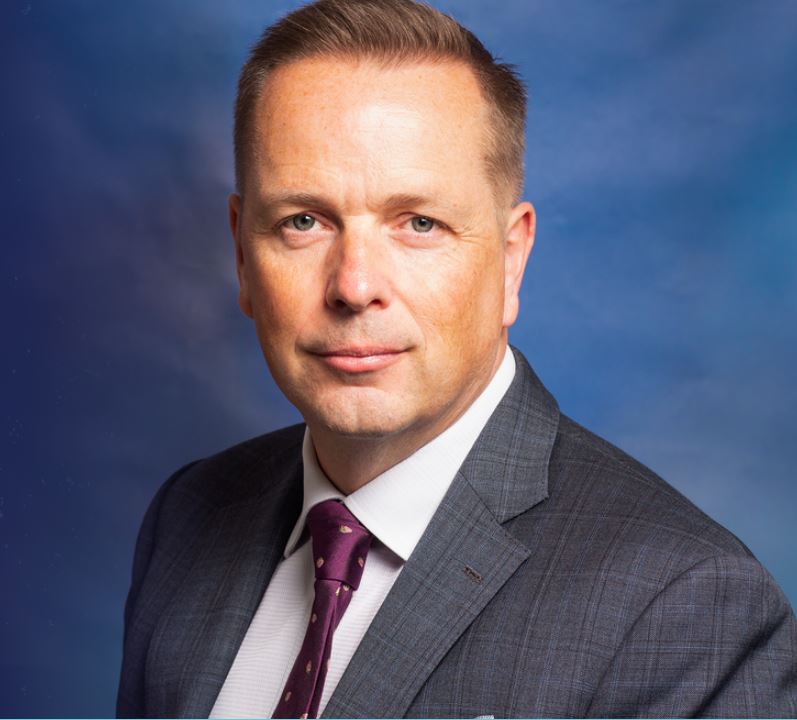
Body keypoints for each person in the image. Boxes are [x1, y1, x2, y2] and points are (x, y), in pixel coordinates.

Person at [116, 0, 797, 717]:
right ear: (242, 254)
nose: (354, 286)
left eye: (417, 223)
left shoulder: (688, 607)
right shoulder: (187, 517)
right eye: (303, 222)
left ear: (510, 261)